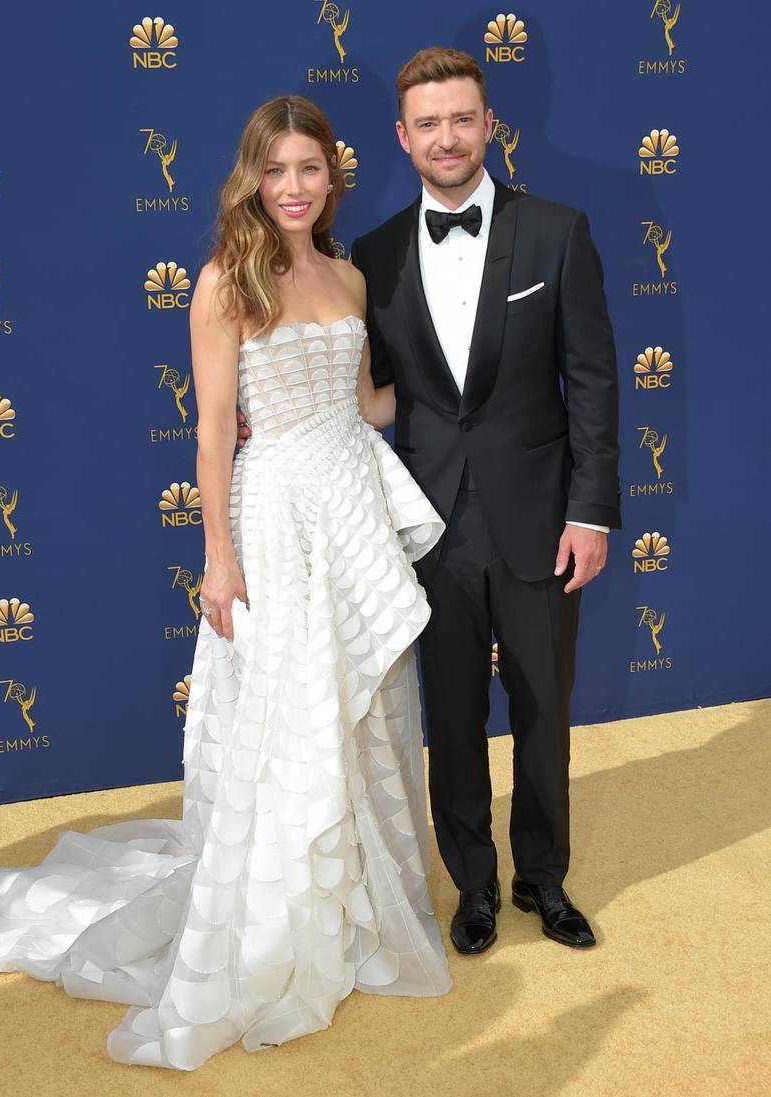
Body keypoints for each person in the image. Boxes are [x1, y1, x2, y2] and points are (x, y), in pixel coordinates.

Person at [0, 95, 451, 1071]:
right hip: (274, 509)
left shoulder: (353, 276)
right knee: (287, 710)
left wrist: (464, 381)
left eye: (309, 170)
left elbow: (364, 401)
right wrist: (219, 555)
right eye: (275, 170)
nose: (292, 188)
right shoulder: (224, 281)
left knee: (355, 703)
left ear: (333, 175)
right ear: (251, 176)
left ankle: (358, 906)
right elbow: (209, 431)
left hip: (348, 500)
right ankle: (282, 919)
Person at [350, 48, 620, 955]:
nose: (446, 137)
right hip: (431, 523)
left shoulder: (557, 232)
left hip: (542, 517)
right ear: (403, 137)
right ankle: (472, 882)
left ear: (489, 124)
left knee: (545, 705)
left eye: (460, 118)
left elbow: (591, 381)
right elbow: (371, 395)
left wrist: (593, 511)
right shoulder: (375, 254)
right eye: (427, 123)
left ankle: (544, 877)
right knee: (453, 712)